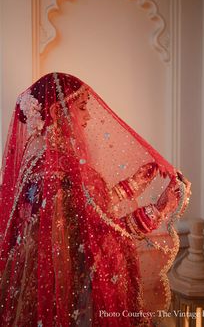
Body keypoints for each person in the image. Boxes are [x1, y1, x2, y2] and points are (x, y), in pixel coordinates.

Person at [0, 72, 191, 327]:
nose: (88, 117)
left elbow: (80, 210)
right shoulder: (67, 168)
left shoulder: (36, 158)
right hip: (70, 293)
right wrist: (158, 210)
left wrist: (133, 184)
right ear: (58, 113)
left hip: (36, 289)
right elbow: (102, 235)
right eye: (81, 108)